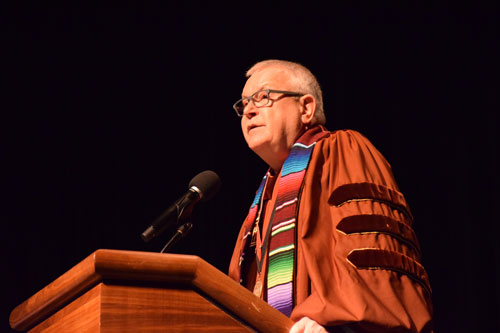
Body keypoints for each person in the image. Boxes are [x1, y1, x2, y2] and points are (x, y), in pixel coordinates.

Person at [228, 59, 433, 332]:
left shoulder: (343, 150)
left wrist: (327, 316)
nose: (250, 110)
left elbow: (372, 251)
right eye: (243, 104)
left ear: (306, 108)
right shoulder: (265, 193)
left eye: (263, 97)